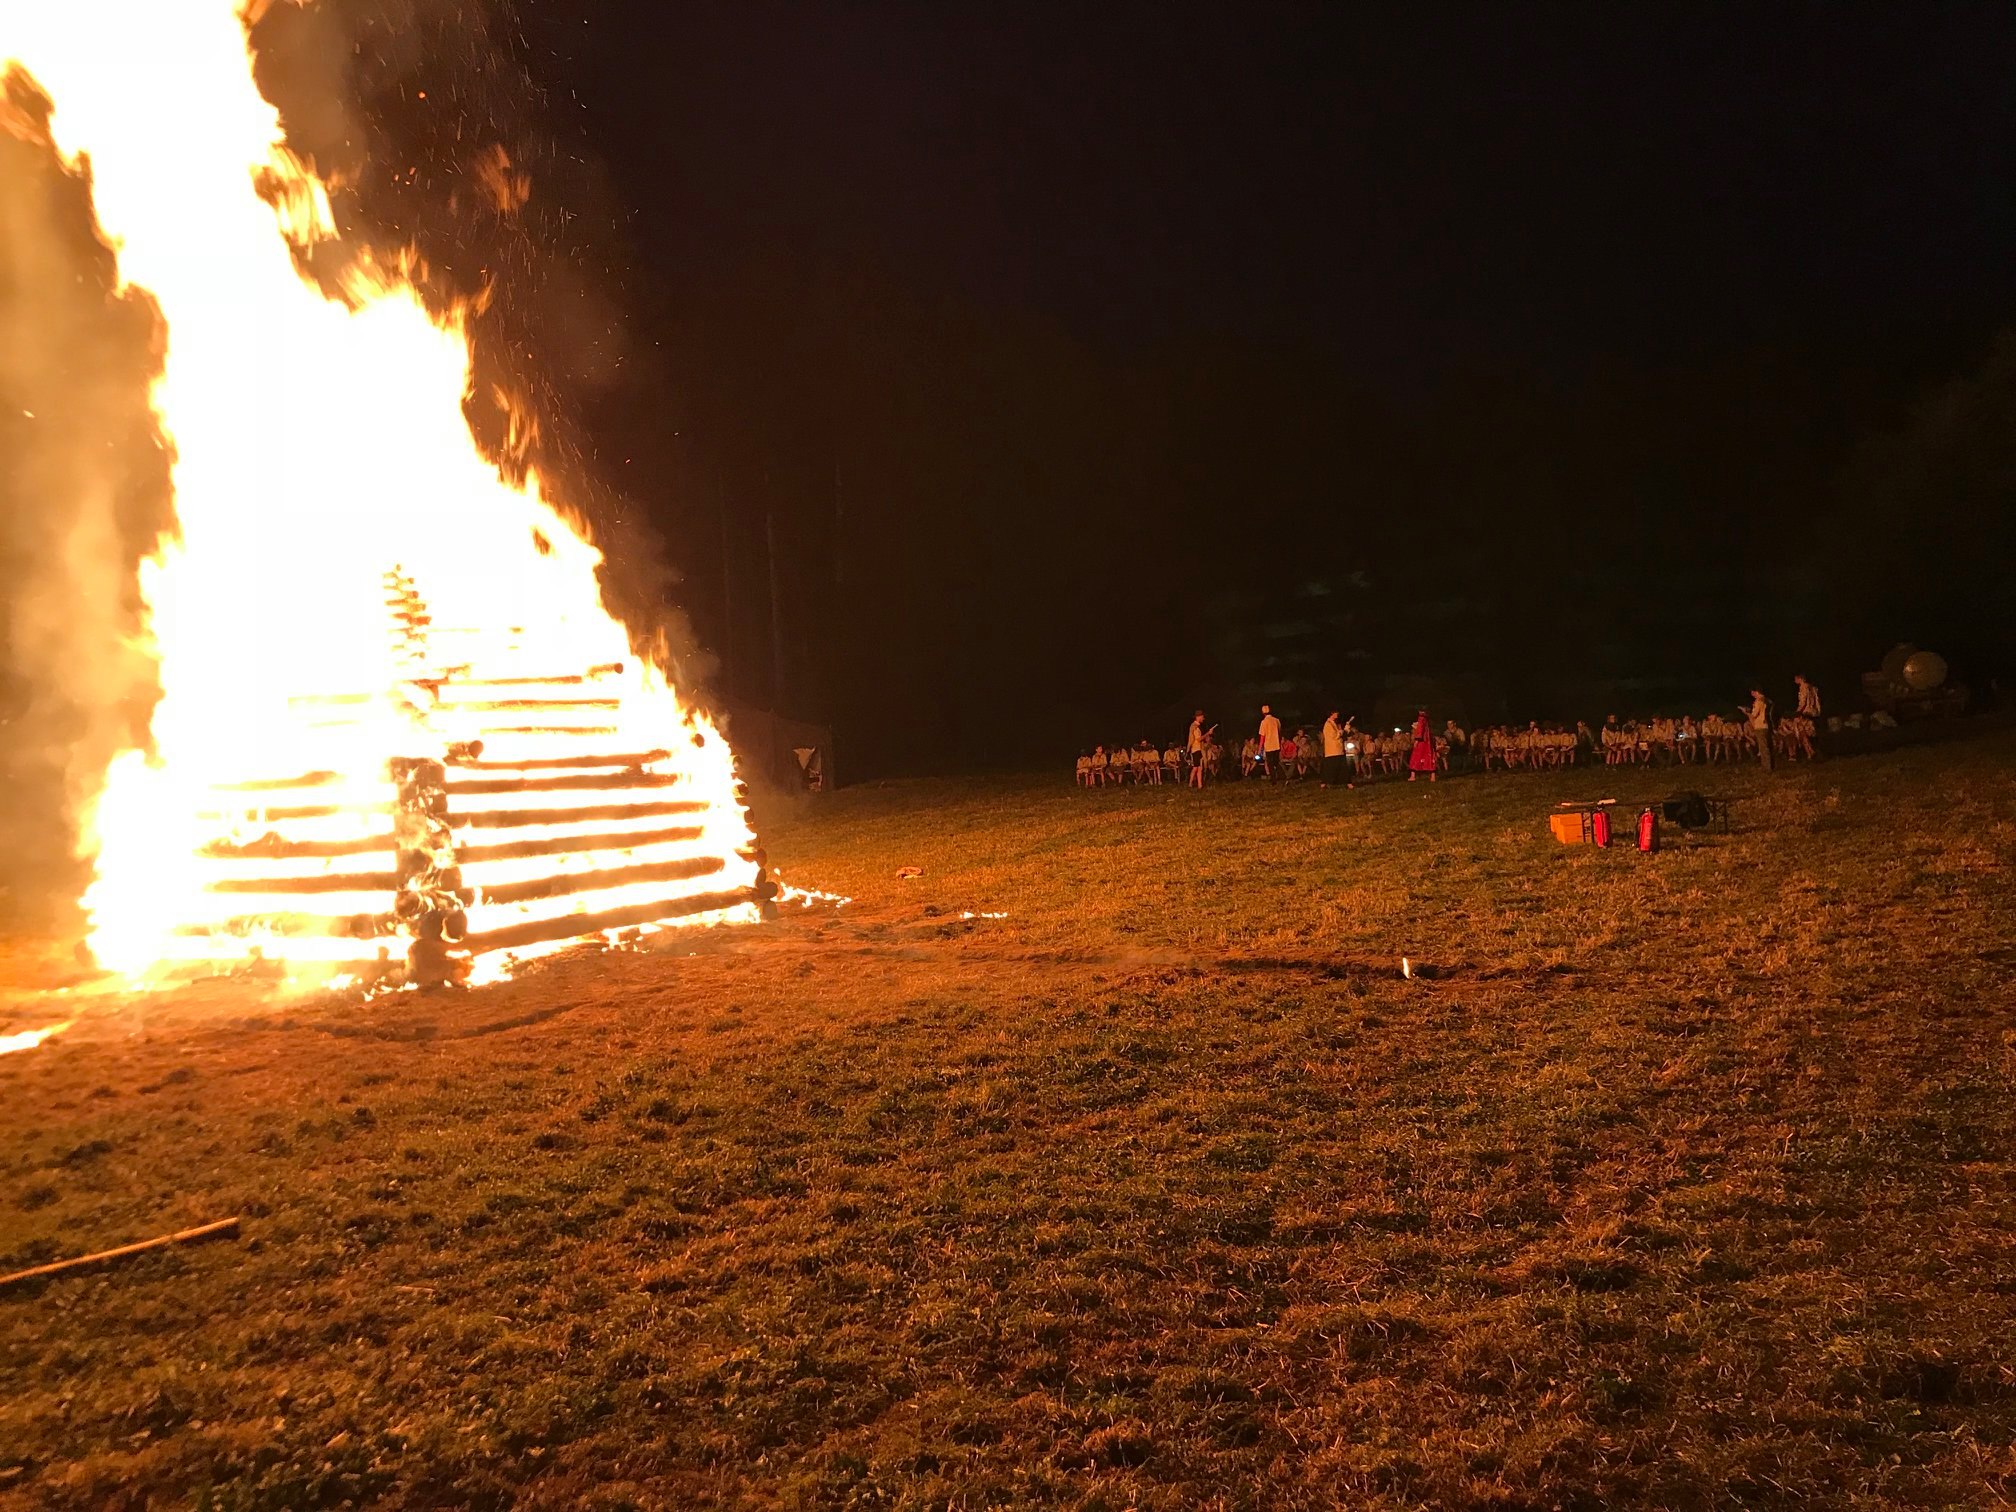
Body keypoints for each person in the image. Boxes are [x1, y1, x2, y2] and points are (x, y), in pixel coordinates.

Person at [1320, 710, 1350, 788]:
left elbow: (1342, 735)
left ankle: (1347, 782)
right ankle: (1326, 783)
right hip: (1332, 750)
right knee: (1330, 768)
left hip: (1339, 749)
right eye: (1336, 712)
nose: (1338, 714)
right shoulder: (1328, 724)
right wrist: (1342, 731)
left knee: (1342, 767)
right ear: (1331, 714)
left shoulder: (1334, 724)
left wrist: (1346, 729)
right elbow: (1334, 735)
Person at [1407, 709, 1438, 782]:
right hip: (1428, 741)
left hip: (1422, 742)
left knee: (1415, 757)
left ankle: (1413, 776)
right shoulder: (1428, 720)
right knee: (1429, 756)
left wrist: (1417, 740)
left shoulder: (1421, 718)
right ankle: (1433, 777)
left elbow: (1420, 729)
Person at [1748, 688, 1773, 771]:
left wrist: (1748, 712)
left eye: (1753, 693)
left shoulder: (1759, 701)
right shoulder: (1768, 701)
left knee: (1763, 747)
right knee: (1766, 746)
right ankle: (1767, 765)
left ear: (1757, 692)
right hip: (1766, 725)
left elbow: (1754, 714)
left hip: (1760, 725)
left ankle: (1766, 767)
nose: (1752, 695)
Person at [1258, 705, 1283, 781]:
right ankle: (1281, 776)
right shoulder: (1276, 720)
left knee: (1270, 764)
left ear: (1263, 713)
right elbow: (1279, 732)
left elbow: (1262, 737)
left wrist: (1260, 749)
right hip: (1276, 745)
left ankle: (1273, 779)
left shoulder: (1264, 722)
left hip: (1268, 746)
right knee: (1276, 762)